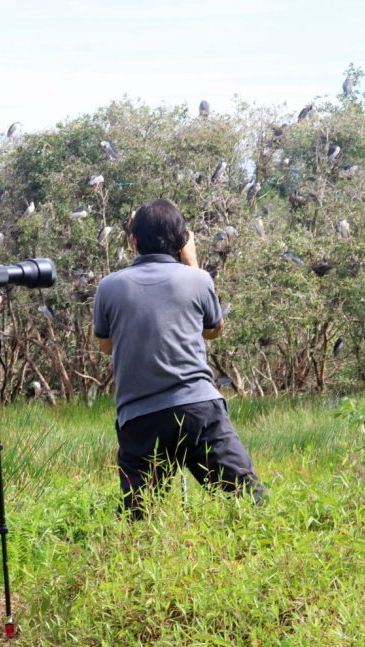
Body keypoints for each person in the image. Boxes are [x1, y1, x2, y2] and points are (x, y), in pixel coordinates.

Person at [93, 199, 265, 519]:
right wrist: (193, 262)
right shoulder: (197, 279)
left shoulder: (108, 287)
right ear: (183, 240)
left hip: (139, 418)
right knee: (249, 500)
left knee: (139, 516)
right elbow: (213, 329)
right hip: (198, 410)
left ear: (133, 241)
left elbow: (107, 347)